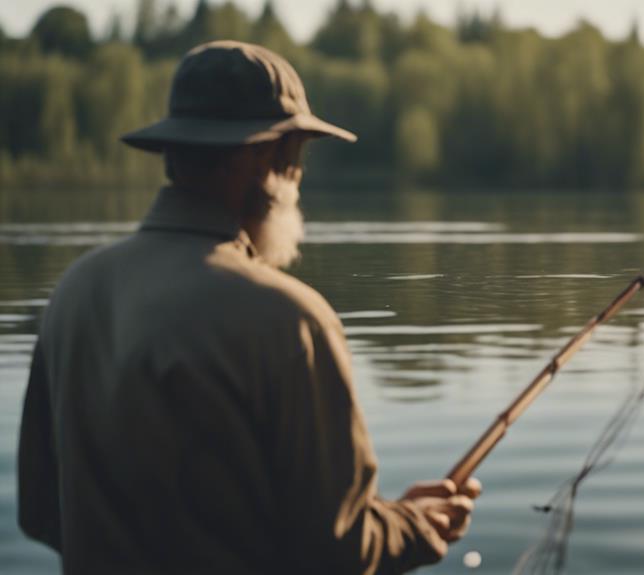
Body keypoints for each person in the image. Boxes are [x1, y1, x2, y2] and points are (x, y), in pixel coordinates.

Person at [17, 40, 479, 574]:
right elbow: (338, 551)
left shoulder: (74, 290)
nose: (298, 176)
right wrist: (415, 527)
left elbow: (41, 512)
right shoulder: (291, 319)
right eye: (297, 155)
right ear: (264, 156)